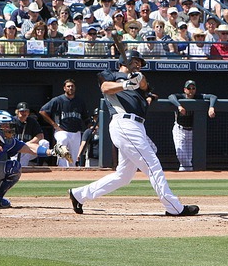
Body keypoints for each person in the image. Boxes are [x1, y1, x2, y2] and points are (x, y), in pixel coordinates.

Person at [69, 50, 199, 216]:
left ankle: (79, 195)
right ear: (125, 61)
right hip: (124, 123)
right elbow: (105, 87)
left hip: (137, 127)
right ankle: (174, 207)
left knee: (123, 176)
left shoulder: (138, 84)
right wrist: (125, 84)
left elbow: (145, 86)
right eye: (135, 61)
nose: (138, 65)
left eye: (140, 63)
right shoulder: (111, 75)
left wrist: (137, 79)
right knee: (153, 165)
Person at [168, 80, 216, 171]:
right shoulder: (181, 96)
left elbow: (213, 97)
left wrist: (211, 107)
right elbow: (171, 97)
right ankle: (189, 171)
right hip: (180, 129)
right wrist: (179, 106)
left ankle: (185, 174)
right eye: (189, 88)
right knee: (181, 154)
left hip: (192, 131)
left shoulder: (198, 97)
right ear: (185, 89)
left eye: (193, 88)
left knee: (188, 158)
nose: (191, 90)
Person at [39, 78, 88, 167]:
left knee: (72, 159)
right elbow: (42, 111)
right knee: (63, 140)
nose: (70, 88)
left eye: (72, 86)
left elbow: (85, 116)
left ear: (75, 88)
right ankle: (61, 168)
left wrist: (90, 125)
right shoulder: (58, 100)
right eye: (68, 86)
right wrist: (54, 124)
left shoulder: (80, 101)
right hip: (62, 130)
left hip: (75, 132)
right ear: (64, 88)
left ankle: (69, 176)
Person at [13, 101, 46, 166]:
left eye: (26, 111)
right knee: (20, 167)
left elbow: (40, 135)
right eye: (22, 111)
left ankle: (40, 165)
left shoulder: (32, 121)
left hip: (29, 148)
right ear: (17, 112)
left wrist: (30, 143)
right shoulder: (12, 121)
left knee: (44, 143)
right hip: (16, 149)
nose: (24, 113)